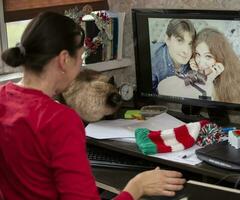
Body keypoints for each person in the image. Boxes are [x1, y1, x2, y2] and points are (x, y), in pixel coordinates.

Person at [0, 12, 185, 200]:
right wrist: (137, 187)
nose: (81, 66)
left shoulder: (3, 98)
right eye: (80, 57)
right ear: (64, 59)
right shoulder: (59, 120)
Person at [158, 28, 240, 106]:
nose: (200, 62)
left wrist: (209, 79)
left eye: (208, 56)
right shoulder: (192, 72)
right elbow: (164, 88)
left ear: (220, 60)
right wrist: (197, 74)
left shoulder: (229, 84)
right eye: (197, 54)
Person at [151, 18, 196, 93]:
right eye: (180, 41)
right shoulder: (152, 59)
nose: (186, 51)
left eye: (190, 44)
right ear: (167, 39)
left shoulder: (195, 59)